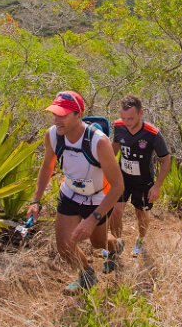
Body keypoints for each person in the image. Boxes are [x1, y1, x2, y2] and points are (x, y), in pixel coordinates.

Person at [26, 91, 125, 294]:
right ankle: (87, 275)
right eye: (54, 114)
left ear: (78, 115)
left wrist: (91, 220)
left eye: (62, 115)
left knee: (98, 243)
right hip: (70, 193)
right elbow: (47, 166)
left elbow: (117, 186)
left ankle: (115, 247)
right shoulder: (52, 135)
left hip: (97, 198)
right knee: (64, 246)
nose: (56, 120)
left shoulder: (99, 142)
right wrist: (36, 200)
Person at [109, 95, 172, 263]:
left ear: (140, 113)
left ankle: (141, 239)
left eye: (130, 118)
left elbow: (166, 160)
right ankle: (117, 244)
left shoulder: (153, 134)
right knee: (115, 211)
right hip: (123, 178)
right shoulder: (119, 126)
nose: (126, 122)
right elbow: (114, 149)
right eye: (123, 118)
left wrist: (157, 186)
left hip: (144, 181)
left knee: (141, 213)